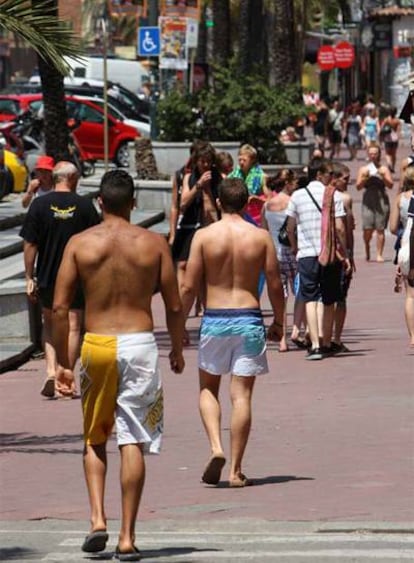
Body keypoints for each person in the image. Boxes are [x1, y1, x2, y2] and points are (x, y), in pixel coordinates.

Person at [52, 169, 185, 559]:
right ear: (133, 202)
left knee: (95, 436)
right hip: (140, 343)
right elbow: (174, 304)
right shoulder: (155, 243)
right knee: (133, 438)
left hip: (97, 343)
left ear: (99, 203)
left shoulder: (80, 243)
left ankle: (97, 519)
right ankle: (127, 537)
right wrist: (176, 347)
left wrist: (63, 361)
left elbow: (60, 306)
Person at [181, 177, 285, 487]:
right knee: (242, 396)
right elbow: (276, 284)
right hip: (249, 318)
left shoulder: (204, 236)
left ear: (220, 202)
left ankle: (216, 447)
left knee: (207, 388)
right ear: (245, 202)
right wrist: (279, 321)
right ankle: (236, 470)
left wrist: (179, 324)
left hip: (214, 317)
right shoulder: (261, 237)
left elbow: (188, 285)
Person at [20, 161, 100, 398]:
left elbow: (29, 244)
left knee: (50, 323)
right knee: (74, 326)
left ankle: (51, 370)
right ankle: (66, 372)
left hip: (47, 273)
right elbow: (96, 241)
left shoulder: (39, 205)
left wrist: (29, 276)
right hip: (77, 276)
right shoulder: (84, 205)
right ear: (73, 178)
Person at [285, 158, 351, 360]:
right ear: (320, 174)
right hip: (329, 254)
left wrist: (295, 246)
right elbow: (340, 228)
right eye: (329, 174)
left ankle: (314, 345)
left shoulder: (297, 195)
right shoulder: (334, 196)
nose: (332, 177)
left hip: (306, 254)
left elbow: (289, 227)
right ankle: (326, 340)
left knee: (310, 297)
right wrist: (345, 253)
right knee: (329, 298)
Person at [171, 142, 222, 343]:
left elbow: (217, 207)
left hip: (212, 229)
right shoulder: (187, 178)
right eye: (203, 161)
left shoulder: (219, 179)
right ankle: (180, 325)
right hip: (191, 229)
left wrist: (209, 189)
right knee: (185, 276)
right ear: (196, 161)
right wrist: (199, 185)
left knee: (209, 279)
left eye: (209, 161)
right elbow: (182, 203)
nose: (206, 165)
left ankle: (210, 325)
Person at [261, 169, 306, 352]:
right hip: (292, 252)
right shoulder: (293, 203)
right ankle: (298, 330)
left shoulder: (267, 205)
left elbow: (263, 231)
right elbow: (296, 228)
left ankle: (282, 340)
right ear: (288, 184)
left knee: (281, 296)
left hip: (273, 254)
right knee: (301, 291)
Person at [330, 163, 356, 352]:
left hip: (322, 252)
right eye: (345, 179)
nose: (348, 183)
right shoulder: (344, 199)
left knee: (324, 296)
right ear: (335, 179)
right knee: (340, 298)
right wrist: (350, 254)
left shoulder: (321, 196)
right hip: (340, 252)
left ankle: (321, 336)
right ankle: (336, 338)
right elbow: (347, 229)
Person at [356, 143, 393, 262]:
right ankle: (367, 246)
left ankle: (379, 254)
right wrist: (365, 178)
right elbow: (358, 187)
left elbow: (390, 185)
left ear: (379, 155)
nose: (373, 156)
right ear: (368, 154)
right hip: (368, 199)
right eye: (371, 153)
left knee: (380, 228)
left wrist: (383, 177)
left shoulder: (384, 169)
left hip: (381, 199)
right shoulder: (363, 169)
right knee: (367, 228)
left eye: (375, 153)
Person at [389, 166, 414, 346]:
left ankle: (413, 335)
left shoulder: (400, 199)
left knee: (410, 295)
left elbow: (392, 227)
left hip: (406, 245)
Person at [228, 144, 271, 225]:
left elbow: (270, 201)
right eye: (239, 160)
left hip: (256, 219)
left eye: (244, 160)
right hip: (237, 218)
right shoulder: (232, 176)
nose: (241, 163)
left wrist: (258, 199)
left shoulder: (262, 177)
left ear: (252, 160)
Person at [381, 106, 401, 173]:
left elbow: (382, 128)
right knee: (394, 154)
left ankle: (389, 163)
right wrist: (398, 138)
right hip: (395, 138)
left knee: (387, 153)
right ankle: (393, 166)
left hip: (388, 138)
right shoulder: (397, 120)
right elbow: (398, 131)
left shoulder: (386, 119)